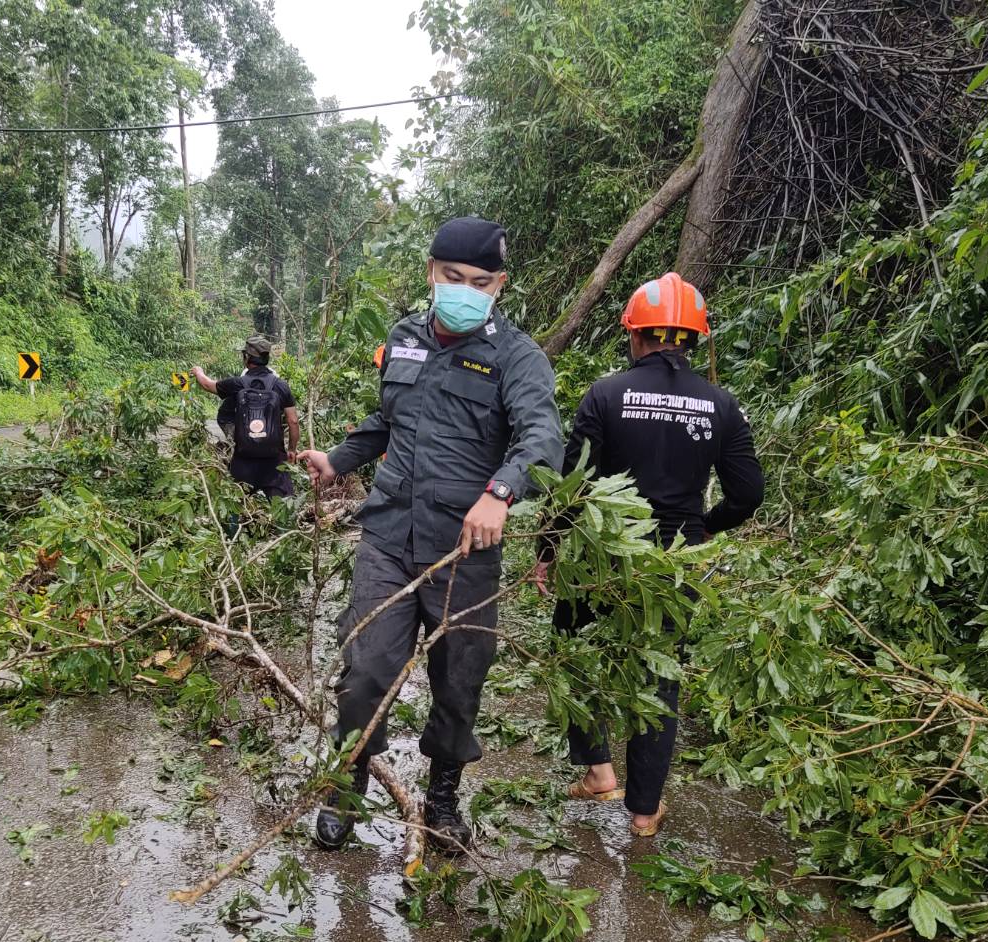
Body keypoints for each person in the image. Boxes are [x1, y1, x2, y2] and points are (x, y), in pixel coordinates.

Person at [298, 217, 563, 852]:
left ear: (499, 285)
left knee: (459, 680)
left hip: (464, 552)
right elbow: (386, 421)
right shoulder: (404, 338)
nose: (464, 290)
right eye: (452, 277)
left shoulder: (518, 358)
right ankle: (347, 785)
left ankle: (442, 797)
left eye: (480, 282)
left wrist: (500, 493)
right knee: (365, 670)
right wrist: (337, 459)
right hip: (388, 537)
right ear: (431, 273)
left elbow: (542, 440)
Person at [534, 272, 764, 836]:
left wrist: (547, 550)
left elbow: (572, 485)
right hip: (671, 564)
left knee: (577, 655)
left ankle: (598, 773)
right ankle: (643, 813)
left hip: (598, 554)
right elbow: (748, 494)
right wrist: (703, 527)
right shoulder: (721, 405)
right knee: (657, 677)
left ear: (635, 334)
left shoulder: (605, 394)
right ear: (694, 339)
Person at [192, 335, 300, 499]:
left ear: (247, 358)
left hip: (244, 459)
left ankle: (236, 514)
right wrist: (291, 449)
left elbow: (207, 384)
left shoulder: (237, 384)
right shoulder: (281, 385)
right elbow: (293, 421)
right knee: (283, 507)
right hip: (274, 461)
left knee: (236, 502)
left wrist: (198, 372)